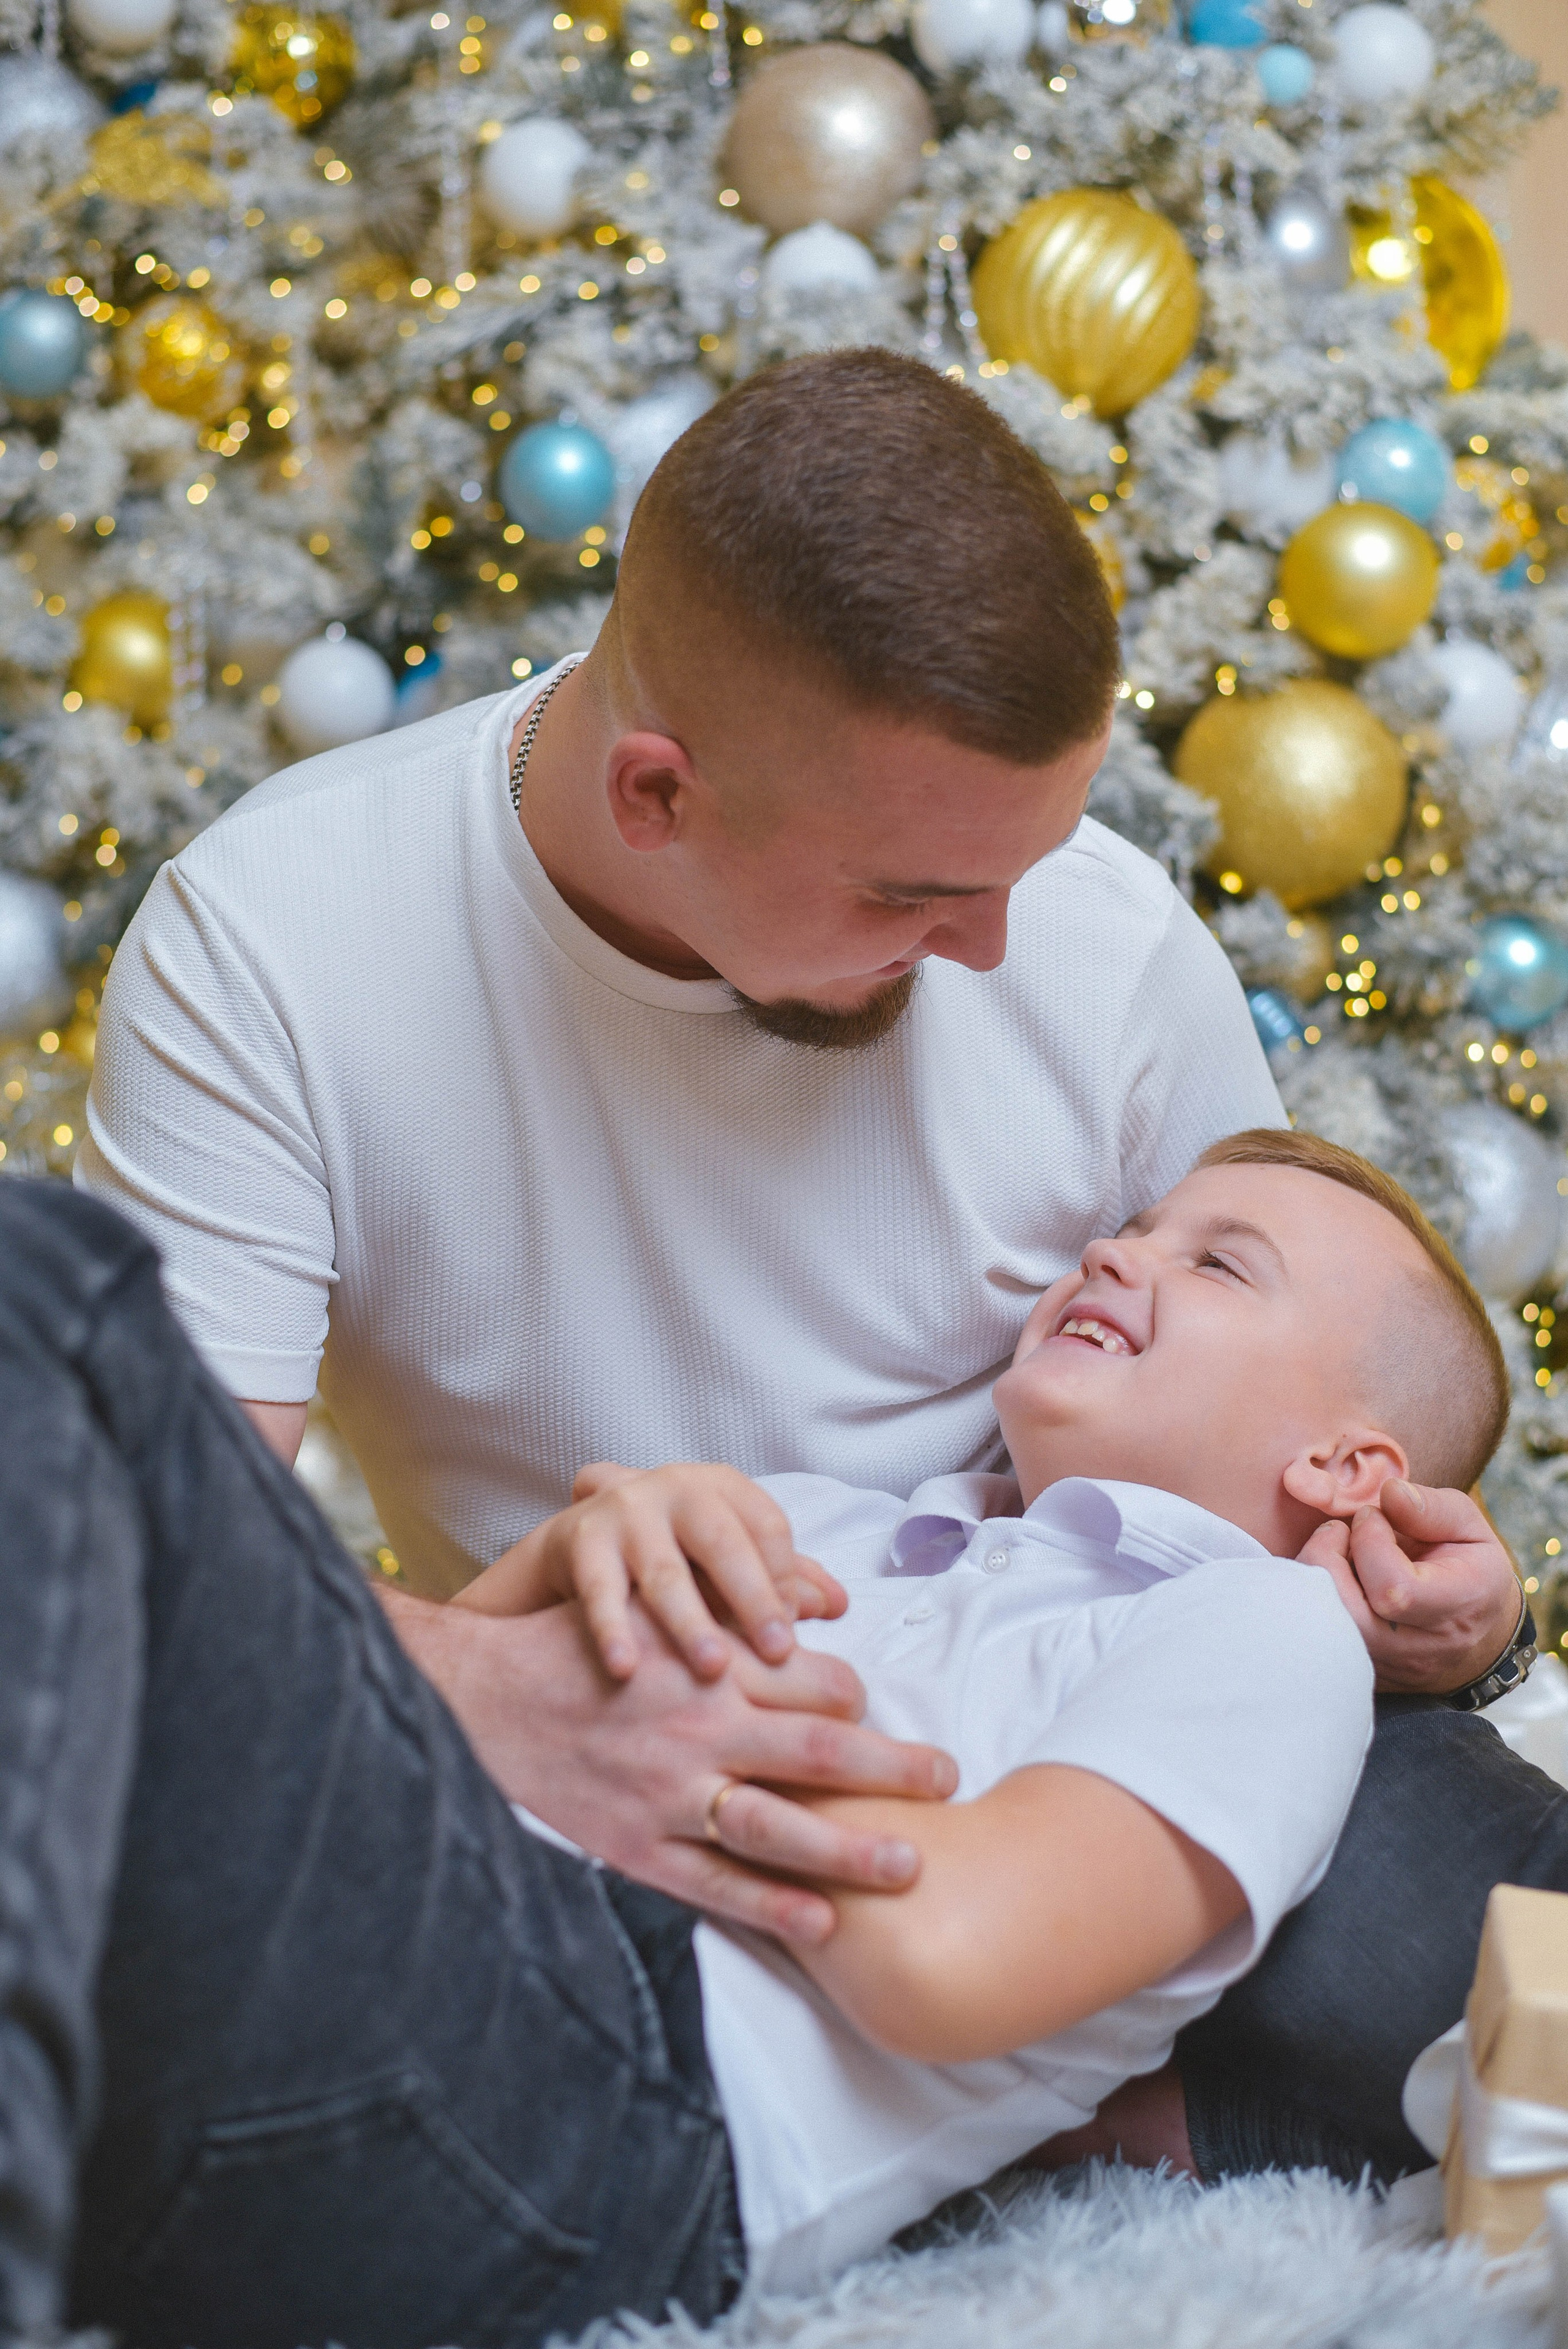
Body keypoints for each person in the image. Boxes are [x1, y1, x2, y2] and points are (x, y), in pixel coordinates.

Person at [74, 348, 1528, 2166]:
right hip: (631, 1749)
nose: (995, 947)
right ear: (659, 798)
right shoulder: (276, 942)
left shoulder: (1084, 932)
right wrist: (486, 1689)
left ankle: (1061, 2107)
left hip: (1083, 1723)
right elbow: (143, 1546)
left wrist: (1451, 1622)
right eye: (911, 898)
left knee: (1442, 1911)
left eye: (1031, 861)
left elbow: (1309, 1372)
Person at [0, 1133, 1532, 2345]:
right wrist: (575, 1559)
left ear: (1342, 1461)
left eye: (1218, 1262)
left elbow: (948, 1965)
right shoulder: (824, 1522)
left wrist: (682, 1757)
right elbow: (479, 1721)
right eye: (1134, 1226)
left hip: (615, 2104)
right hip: (419, 1947)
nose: (1121, 1250)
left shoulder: (1250, 1631)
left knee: (56, 1293)